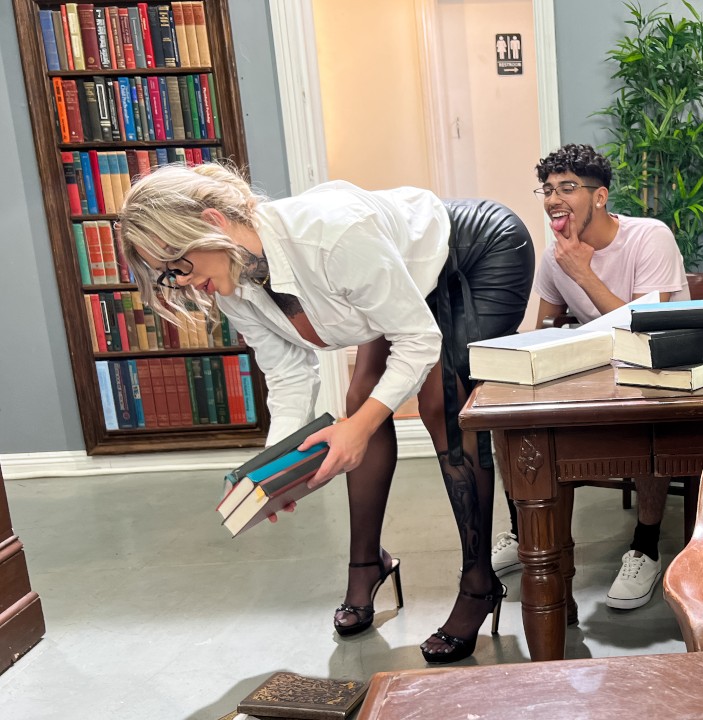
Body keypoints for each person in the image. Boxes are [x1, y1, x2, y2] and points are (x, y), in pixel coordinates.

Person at [116, 163, 535, 664]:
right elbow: (289, 375)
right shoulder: (231, 282)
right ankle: (367, 565)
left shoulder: (332, 237)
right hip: (399, 269)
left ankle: (478, 584)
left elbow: (417, 340)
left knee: (442, 405)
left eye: (177, 265)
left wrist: (359, 429)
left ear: (213, 222)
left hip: (476, 251)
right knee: (360, 404)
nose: (182, 284)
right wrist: (273, 473)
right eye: (167, 276)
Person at [489, 143, 690, 610]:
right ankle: (526, 532)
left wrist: (583, 273)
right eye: (547, 189)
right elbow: (544, 327)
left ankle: (646, 545)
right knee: (507, 415)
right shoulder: (555, 258)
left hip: (662, 371)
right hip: (601, 370)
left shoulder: (649, 237)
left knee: (646, 416)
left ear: (599, 197)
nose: (553, 199)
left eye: (567, 188)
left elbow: (644, 332)